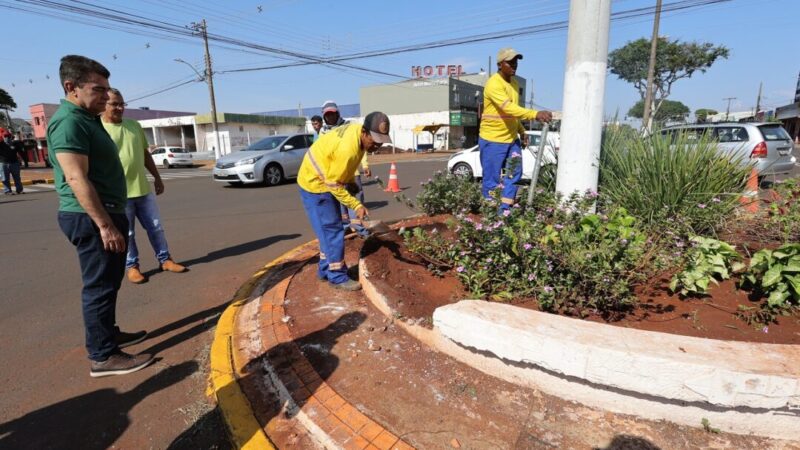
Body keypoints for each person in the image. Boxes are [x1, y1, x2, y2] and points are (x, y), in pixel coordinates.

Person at [47, 55, 152, 377]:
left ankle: (108, 334)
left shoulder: (87, 118)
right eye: (98, 89)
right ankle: (103, 357)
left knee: (108, 283)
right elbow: (77, 178)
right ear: (71, 87)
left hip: (105, 213)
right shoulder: (69, 122)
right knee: (99, 287)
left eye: (107, 89)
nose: (106, 96)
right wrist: (105, 225)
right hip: (92, 218)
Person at [297, 111, 391, 291]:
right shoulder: (348, 149)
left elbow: (346, 166)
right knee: (332, 230)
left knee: (328, 230)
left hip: (320, 177)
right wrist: (356, 204)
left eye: (381, 141)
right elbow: (333, 184)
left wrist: (349, 182)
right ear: (364, 132)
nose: (377, 146)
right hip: (316, 184)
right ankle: (337, 276)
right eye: (374, 140)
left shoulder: (356, 134)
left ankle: (325, 270)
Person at [101, 88, 187, 284]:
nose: (120, 107)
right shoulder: (98, 128)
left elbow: (145, 154)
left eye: (122, 103)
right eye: (114, 104)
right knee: (128, 233)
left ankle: (165, 260)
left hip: (142, 189)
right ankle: (132, 266)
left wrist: (157, 177)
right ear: (103, 104)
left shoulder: (134, 125)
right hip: (118, 195)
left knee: (156, 227)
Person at [479, 47, 552, 210]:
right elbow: (508, 108)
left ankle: (504, 211)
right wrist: (535, 114)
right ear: (500, 64)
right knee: (491, 180)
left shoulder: (514, 83)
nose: (514, 65)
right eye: (510, 62)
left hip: (512, 140)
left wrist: (521, 131)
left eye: (516, 62)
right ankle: (490, 218)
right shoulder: (493, 84)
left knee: (514, 174)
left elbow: (513, 114)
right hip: (493, 140)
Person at [319, 100, 372, 237]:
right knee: (339, 201)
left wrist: (365, 165)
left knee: (356, 201)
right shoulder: (323, 132)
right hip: (334, 174)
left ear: (338, 114)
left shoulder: (349, 126)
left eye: (333, 114)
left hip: (351, 172)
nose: (330, 117)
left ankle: (360, 229)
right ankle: (345, 227)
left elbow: (361, 146)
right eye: (328, 115)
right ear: (324, 116)